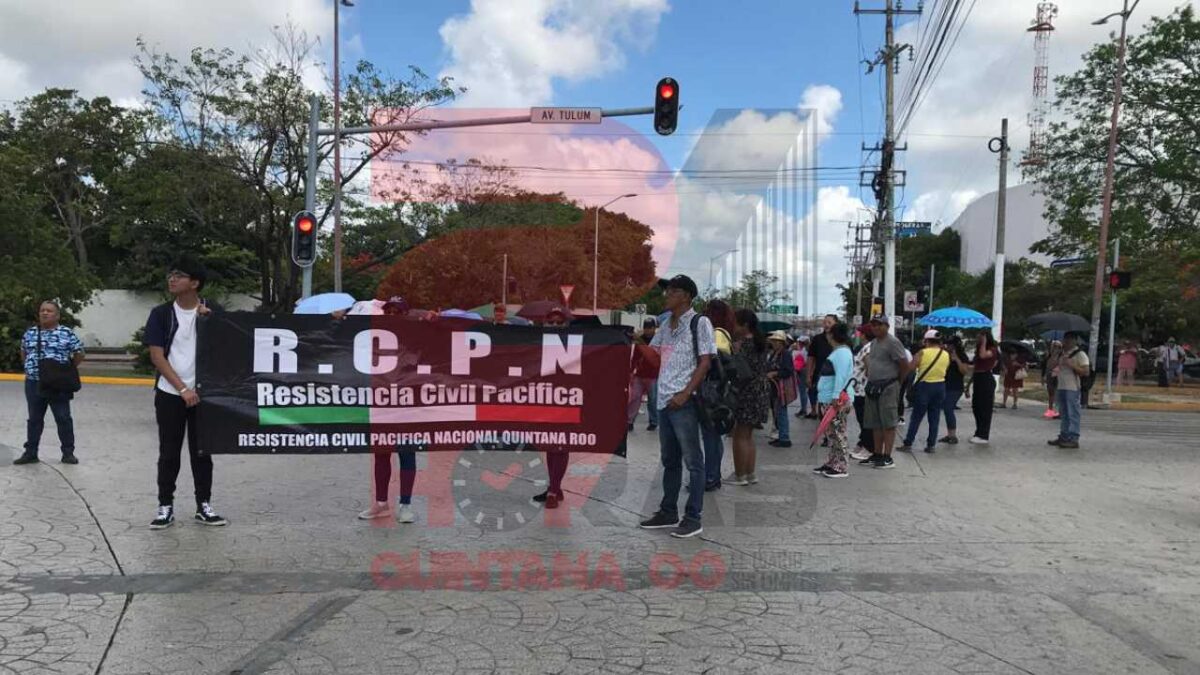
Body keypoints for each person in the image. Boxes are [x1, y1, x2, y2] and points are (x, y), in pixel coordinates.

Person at [143, 258, 227, 529]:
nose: (172, 279)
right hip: (171, 392)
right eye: (171, 274)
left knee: (202, 452)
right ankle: (165, 506)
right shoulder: (161, 314)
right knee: (169, 452)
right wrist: (181, 389)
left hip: (204, 394)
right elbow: (157, 356)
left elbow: (230, 345)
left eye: (179, 275)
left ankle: (204, 505)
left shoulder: (212, 311)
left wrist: (211, 323)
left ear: (194, 283)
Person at [639, 275, 714, 539]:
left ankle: (693, 517)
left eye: (672, 291)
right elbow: (652, 355)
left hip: (684, 402)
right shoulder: (664, 324)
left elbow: (705, 362)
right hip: (663, 401)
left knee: (693, 461)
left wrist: (686, 393)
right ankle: (667, 511)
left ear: (686, 296)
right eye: (667, 291)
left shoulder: (699, 322)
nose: (666, 295)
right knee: (669, 460)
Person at [358, 297, 418, 523]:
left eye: (397, 311)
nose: (393, 314)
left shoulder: (415, 337)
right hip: (382, 404)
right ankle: (381, 502)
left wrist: (436, 321)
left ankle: (405, 504)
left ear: (405, 313)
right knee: (381, 454)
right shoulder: (374, 336)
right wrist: (338, 322)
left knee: (406, 453)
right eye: (389, 310)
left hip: (406, 404)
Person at [14, 301, 85, 465]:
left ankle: (68, 453)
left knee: (63, 417)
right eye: (42, 311)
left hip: (58, 384)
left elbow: (79, 353)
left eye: (49, 311)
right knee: (34, 418)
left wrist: (67, 369)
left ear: (57, 315)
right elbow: (23, 351)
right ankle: (31, 452)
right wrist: (30, 368)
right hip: (34, 382)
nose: (45, 313)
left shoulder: (66, 333)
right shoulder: (30, 333)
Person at [534, 308, 573, 508]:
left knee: (562, 444)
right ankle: (554, 487)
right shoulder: (536, 343)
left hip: (568, 400)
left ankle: (553, 489)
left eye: (560, 323)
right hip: (545, 398)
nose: (555, 327)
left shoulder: (575, 344)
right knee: (550, 444)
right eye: (551, 323)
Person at [860, 316, 910, 469]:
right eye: (873, 325)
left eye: (879, 325)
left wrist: (898, 382)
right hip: (874, 386)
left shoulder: (892, 342)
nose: (875, 328)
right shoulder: (874, 343)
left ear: (887, 326)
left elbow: (904, 364)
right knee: (875, 422)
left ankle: (887, 456)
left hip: (889, 386)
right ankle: (877, 453)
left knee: (888, 423)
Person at [726, 309, 769, 485]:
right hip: (761, 390)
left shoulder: (744, 345)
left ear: (744, 325)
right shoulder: (761, 343)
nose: (733, 326)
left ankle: (739, 475)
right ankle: (750, 474)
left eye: (735, 322)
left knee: (739, 434)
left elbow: (742, 372)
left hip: (747, 391)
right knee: (749, 435)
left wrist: (735, 354)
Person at [701, 299, 735, 491]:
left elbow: (715, 363)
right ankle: (714, 475)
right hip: (720, 391)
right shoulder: (725, 334)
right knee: (714, 435)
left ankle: (711, 476)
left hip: (713, 392)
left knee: (711, 436)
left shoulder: (717, 335)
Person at [813, 322, 854, 478]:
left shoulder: (842, 353)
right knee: (832, 434)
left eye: (829, 332)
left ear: (833, 335)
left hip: (836, 400)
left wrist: (836, 396)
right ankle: (832, 462)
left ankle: (841, 466)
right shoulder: (839, 352)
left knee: (838, 433)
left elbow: (841, 376)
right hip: (830, 398)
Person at [900, 330, 949, 453]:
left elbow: (911, 368)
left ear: (926, 340)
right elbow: (945, 369)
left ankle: (908, 443)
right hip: (940, 386)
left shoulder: (922, 353)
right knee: (934, 417)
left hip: (925, 387)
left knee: (916, 417)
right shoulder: (945, 354)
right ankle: (931, 445)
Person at [1049, 332, 1090, 449]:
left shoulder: (1080, 354)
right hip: (1061, 386)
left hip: (1072, 387)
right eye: (1065, 339)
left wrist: (1071, 365)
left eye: (1069, 340)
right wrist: (1054, 354)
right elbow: (1051, 366)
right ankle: (1064, 435)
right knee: (1064, 413)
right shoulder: (1062, 353)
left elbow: (1086, 371)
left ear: (1075, 341)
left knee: (1073, 413)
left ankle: (1073, 437)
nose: (1066, 342)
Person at [848, 326, 876, 461]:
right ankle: (863, 443)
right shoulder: (867, 347)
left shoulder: (867, 349)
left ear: (864, 335)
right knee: (862, 420)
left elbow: (870, 368)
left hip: (862, 389)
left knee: (864, 420)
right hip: (859, 388)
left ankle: (868, 447)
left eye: (860, 333)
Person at [628, 318, 660, 432]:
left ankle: (654, 421)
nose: (647, 330)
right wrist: (631, 371)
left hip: (653, 375)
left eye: (650, 328)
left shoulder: (657, 340)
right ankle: (629, 421)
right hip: (640, 374)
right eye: (645, 328)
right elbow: (635, 358)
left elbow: (655, 356)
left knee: (653, 400)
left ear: (654, 328)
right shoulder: (639, 341)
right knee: (635, 398)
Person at [938, 335, 971, 444]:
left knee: (948, 408)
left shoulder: (962, 356)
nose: (948, 346)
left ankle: (953, 435)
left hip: (956, 387)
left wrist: (956, 359)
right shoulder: (944, 355)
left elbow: (964, 371)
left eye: (950, 344)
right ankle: (949, 434)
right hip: (944, 385)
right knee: (946, 410)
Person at [766, 330, 796, 448]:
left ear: (781, 342)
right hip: (774, 387)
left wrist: (775, 373)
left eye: (775, 341)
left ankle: (784, 437)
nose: (773, 343)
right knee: (776, 412)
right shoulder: (775, 353)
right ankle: (780, 435)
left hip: (781, 388)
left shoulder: (785, 354)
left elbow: (788, 371)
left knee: (781, 412)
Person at [969, 332, 1000, 445]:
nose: (978, 339)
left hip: (986, 378)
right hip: (978, 377)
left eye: (980, 337)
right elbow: (976, 365)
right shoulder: (978, 350)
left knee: (984, 407)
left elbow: (983, 355)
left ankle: (983, 434)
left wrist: (984, 341)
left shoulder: (992, 349)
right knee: (976, 406)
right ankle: (978, 431)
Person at [804, 315, 836, 419]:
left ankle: (828, 420)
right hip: (819, 374)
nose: (826, 325)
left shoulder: (840, 339)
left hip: (834, 376)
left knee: (829, 401)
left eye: (829, 323)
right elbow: (811, 357)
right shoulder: (817, 339)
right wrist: (808, 375)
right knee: (814, 393)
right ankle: (815, 412)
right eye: (825, 322)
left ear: (836, 324)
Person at [1042, 341, 1063, 419]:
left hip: (1058, 376)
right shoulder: (1048, 356)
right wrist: (1043, 376)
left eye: (1058, 347)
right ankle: (1050, 409)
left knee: (1059, 394)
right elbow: (1044, 367)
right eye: (1054, 346)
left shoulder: (1061, 357)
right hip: (1049, 375)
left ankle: (1060, 411)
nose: (1056, 349)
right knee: (1051, 393)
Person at [792, 337, 810, 418]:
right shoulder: (806, 351)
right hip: (803, 371)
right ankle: (803, 409)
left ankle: (804, 410)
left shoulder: (804, 351)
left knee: (803, 392)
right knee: (803, 392)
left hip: (802, 372)